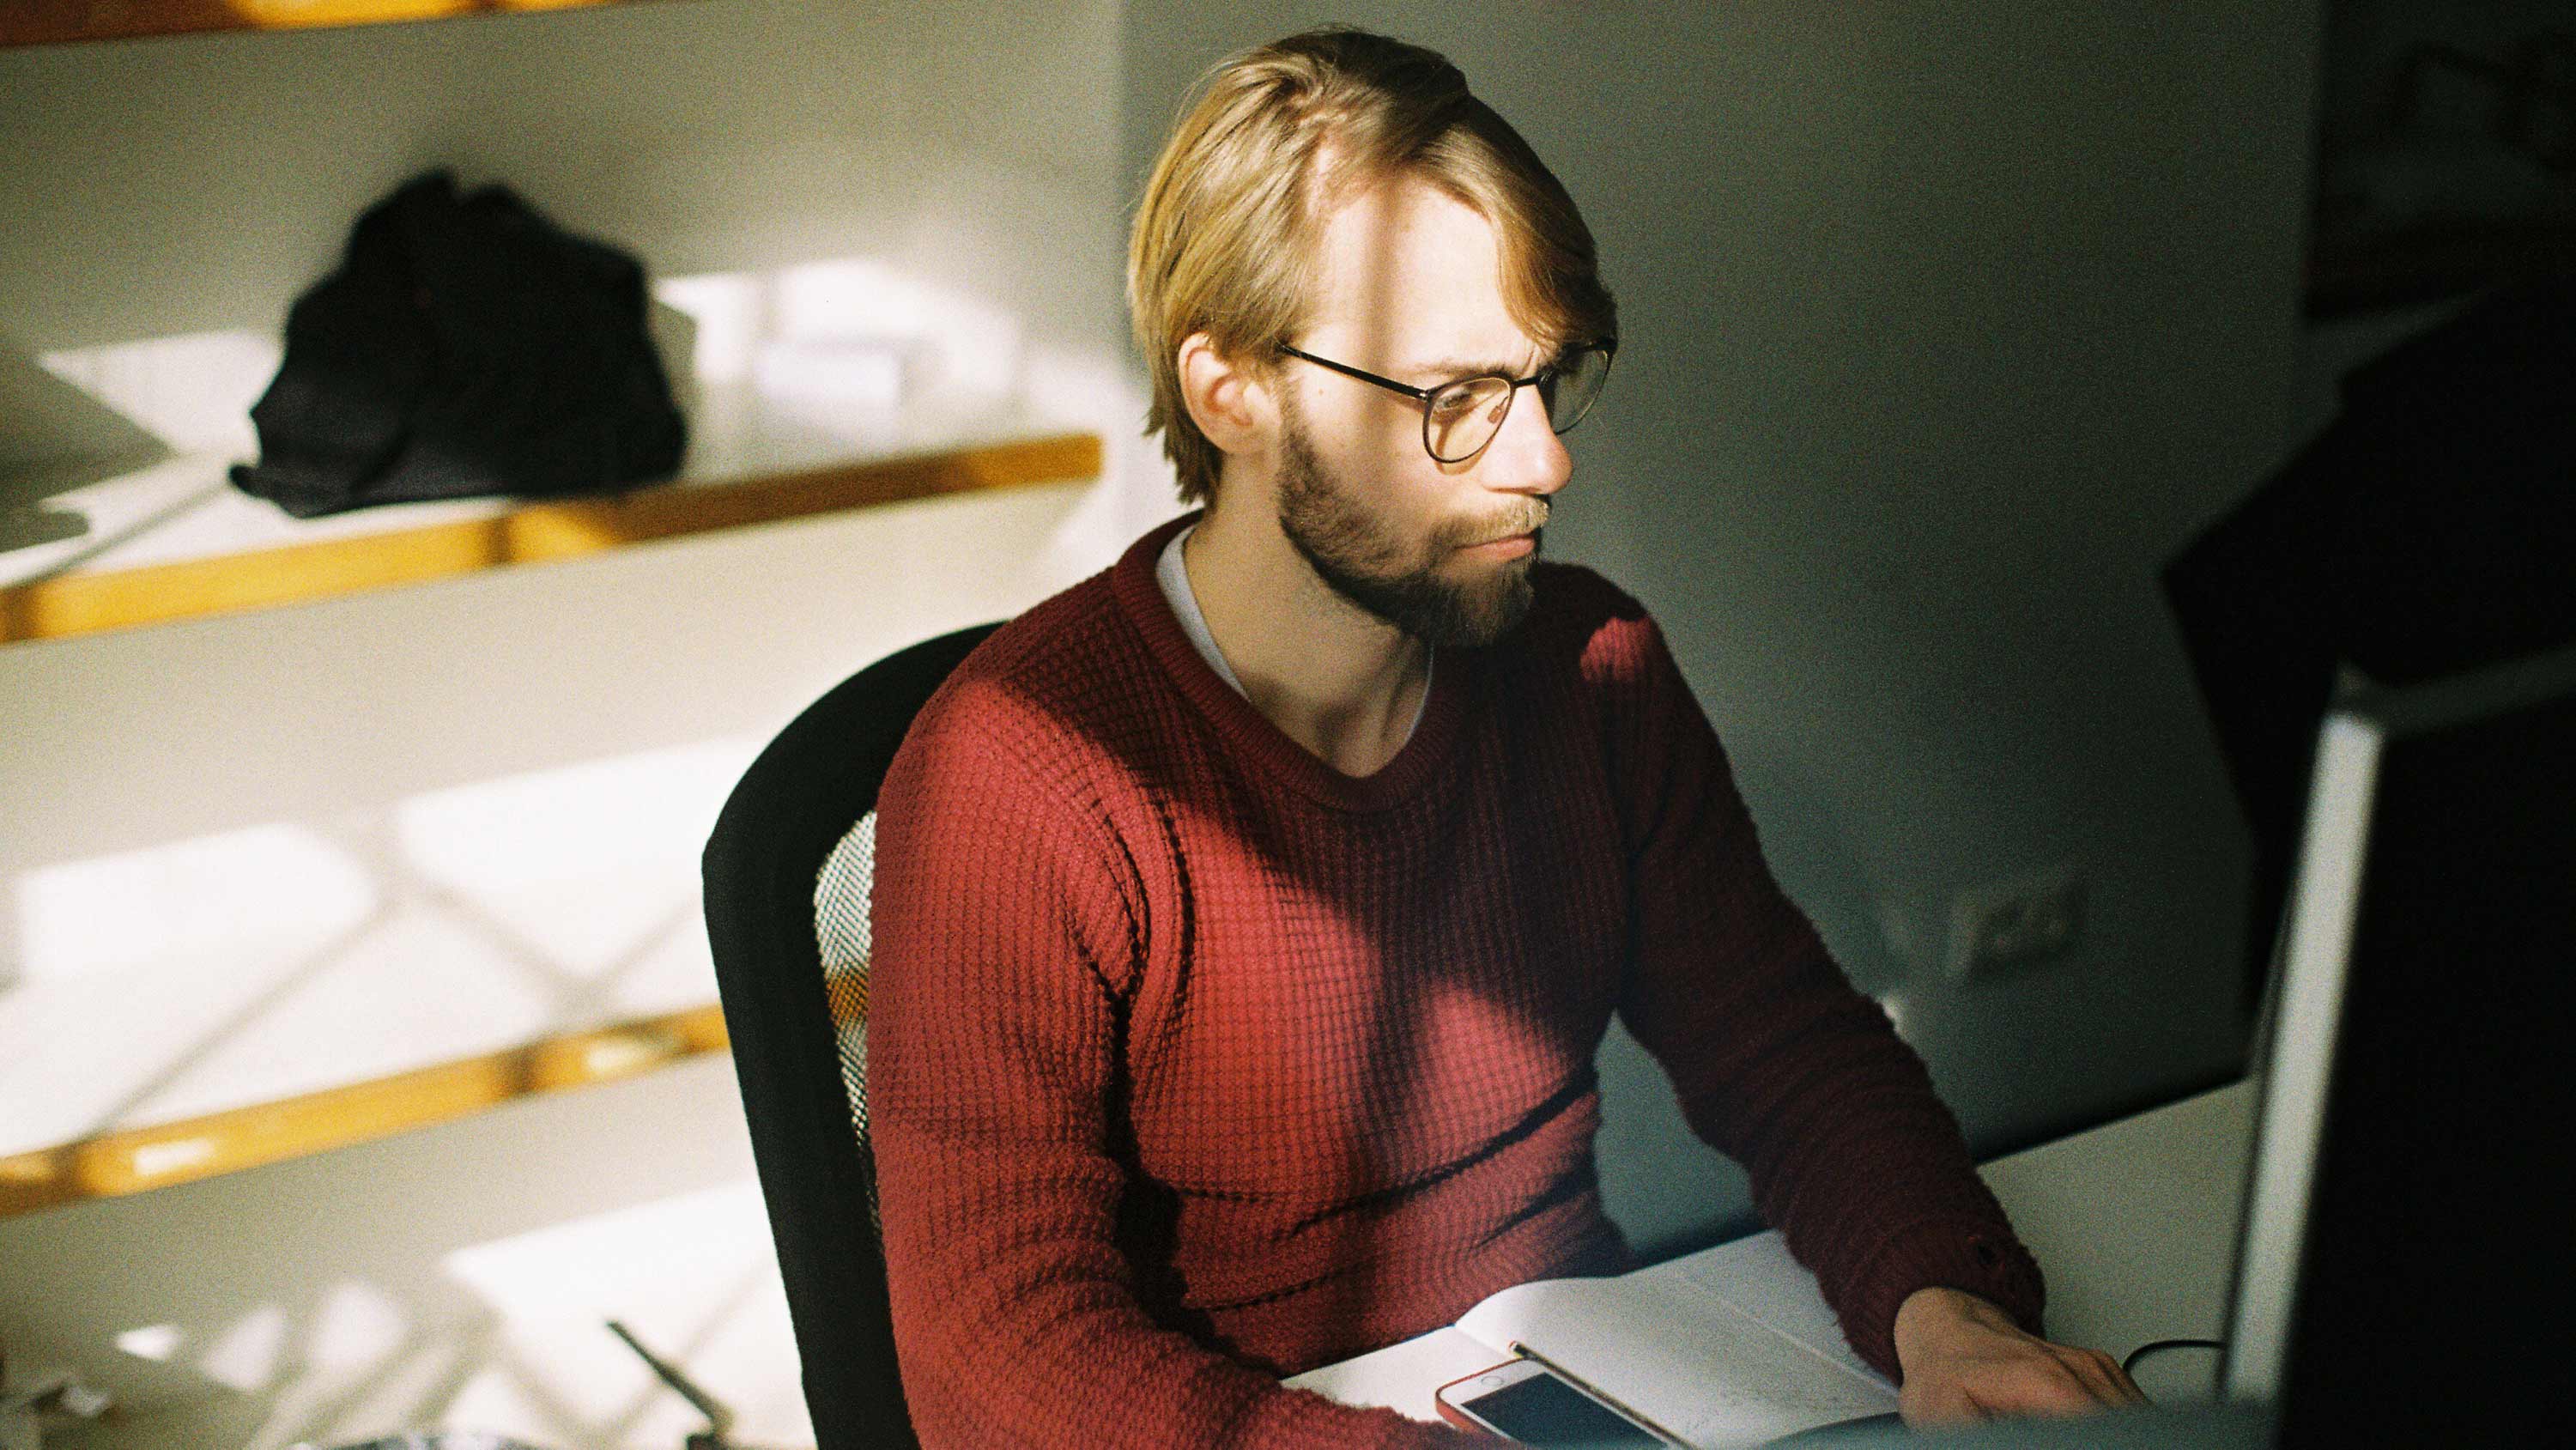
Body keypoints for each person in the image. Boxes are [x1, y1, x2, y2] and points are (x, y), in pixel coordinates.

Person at [869, 27, 2143, 1447]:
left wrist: (1942, 1310)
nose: (1542, 460)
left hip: (1577, 1383)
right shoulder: (1027, 773)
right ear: (1233, 387)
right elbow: (996, 1347)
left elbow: (1790, 1050)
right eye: (1457, 401)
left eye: (1544, 379)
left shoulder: (1589, 669)